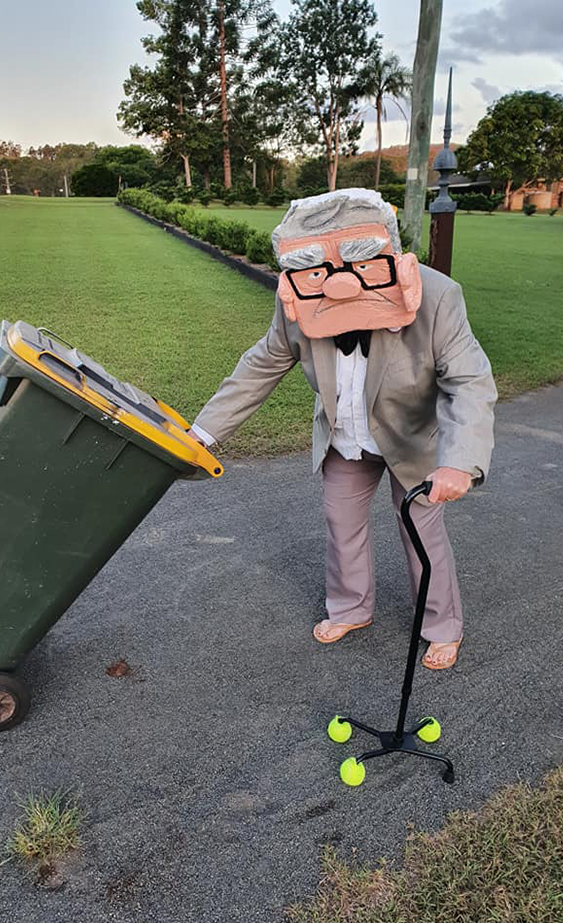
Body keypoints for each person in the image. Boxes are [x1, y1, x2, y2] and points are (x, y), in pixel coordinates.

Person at [189, 189, 496, 670]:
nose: (335, 285)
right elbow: (263, 363)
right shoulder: (296, 296)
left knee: (420, 529)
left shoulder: (437, 296)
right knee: (341, 525)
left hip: (413, 437)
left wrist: (460, 462)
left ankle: (441, 625)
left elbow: (469, 380)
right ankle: (352, 608)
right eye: (316, 271)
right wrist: (202, 433)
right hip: (345, 437)